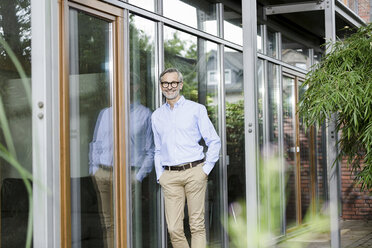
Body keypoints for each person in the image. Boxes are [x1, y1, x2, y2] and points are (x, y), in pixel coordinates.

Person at [152, 68, 221, 248]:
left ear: (180, 85)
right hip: (170, 176)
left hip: (194, 172)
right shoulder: (156, 116)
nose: (169, 87)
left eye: (173, 82)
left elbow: (214, 141)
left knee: (196, 225)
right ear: (161, 86)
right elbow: (157, 149)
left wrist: (205, 170)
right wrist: (160, 175)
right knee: (174, 228)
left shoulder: (196, 109)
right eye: (165, 83)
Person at [89, 101, 154, 248]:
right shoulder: (106, 113)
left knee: (124, 223)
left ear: (135, 87)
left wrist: (138, 176)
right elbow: (96, 143)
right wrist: (94, 169)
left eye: (131, 84)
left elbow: (150, 150)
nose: (128, 87)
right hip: (103, 173)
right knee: (108, 223)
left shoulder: (145, 114)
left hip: (128, 174)